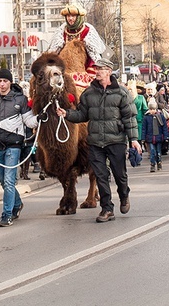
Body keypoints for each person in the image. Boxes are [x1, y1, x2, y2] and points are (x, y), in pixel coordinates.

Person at [56, 58, 140, 223]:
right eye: (95, 69)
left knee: (119, 175)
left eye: (100, 69)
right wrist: (67, 114)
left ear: (108, 71)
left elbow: (130, 118)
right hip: (95, 142)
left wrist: (134, 140)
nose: (96, 72)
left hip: (116, 140)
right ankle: (107, 208)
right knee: (101, 176)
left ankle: (124, 195)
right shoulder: (88, 94)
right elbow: (82, 115)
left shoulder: (121, 93)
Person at [0, 68, 38, 227]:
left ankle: (6, 215)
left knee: (10, 180)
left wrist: (40, 118)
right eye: (0, 81)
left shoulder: (20, 100)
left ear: (10, 82)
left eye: (5, 81)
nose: (2, 84)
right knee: (3, 181)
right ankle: (17, 204)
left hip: (14, 145)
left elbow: (29, 121)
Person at [143, 98, 168, 172]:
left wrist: (166, 136)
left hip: (159, 137)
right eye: (150, 109)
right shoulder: (146, 117)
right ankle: (152, 164)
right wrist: (143, 138)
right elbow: (144, 129)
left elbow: (164, 127)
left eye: (153, 109)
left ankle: (159, 162)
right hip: (150, 138)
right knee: (152, 152)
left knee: (158, 152)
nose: (152, 111)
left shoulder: (161, 116)